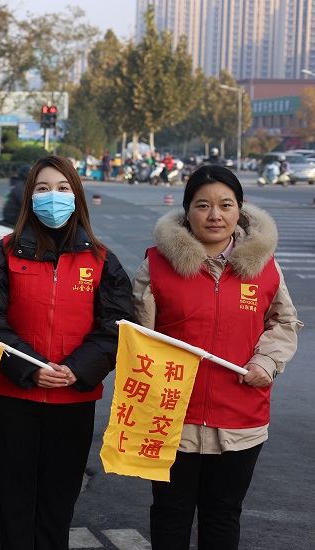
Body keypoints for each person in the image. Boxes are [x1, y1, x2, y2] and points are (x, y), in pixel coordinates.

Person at [0, 155, 134, 549]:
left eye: (63, 189)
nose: (53, 197)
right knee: (14, 502)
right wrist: (30, 367)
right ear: (29, 197)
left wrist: (77, 369)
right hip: (13, 398)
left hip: (73, 399)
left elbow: (117, 326)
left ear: (77, 197)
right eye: (43, 189)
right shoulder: (2, 255)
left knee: (58, 504)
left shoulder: (102, 260)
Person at [132, 165, 302, 549]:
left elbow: (284, 322)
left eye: (226, 205)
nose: (215, 215)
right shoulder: (156, 264)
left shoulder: (264, 266)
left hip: (240, 418)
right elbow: (138, 334)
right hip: (172, 415)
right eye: (203, 205)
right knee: (170, 513)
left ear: (239, 210)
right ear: (187, 210)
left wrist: (266, 362)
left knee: (223, 514)